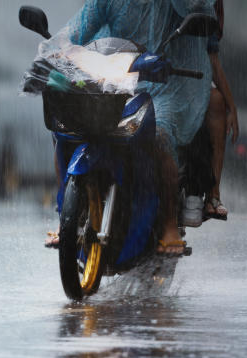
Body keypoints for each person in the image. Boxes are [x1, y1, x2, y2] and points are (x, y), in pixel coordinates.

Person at [44, 0, 217, 256]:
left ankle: (169, 224)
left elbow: (200, 9)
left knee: (160, 135)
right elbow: (75, 32)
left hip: (169, 86)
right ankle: (65, 217)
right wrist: (59, 49)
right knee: (65, 131)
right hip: (118, 81)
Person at [203, 0, 239, 220]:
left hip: (187, 82)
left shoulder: (206, 8)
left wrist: (231, 107)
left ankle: (213, 192)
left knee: (217, 101)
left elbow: (212, 60)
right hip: (145, 76)